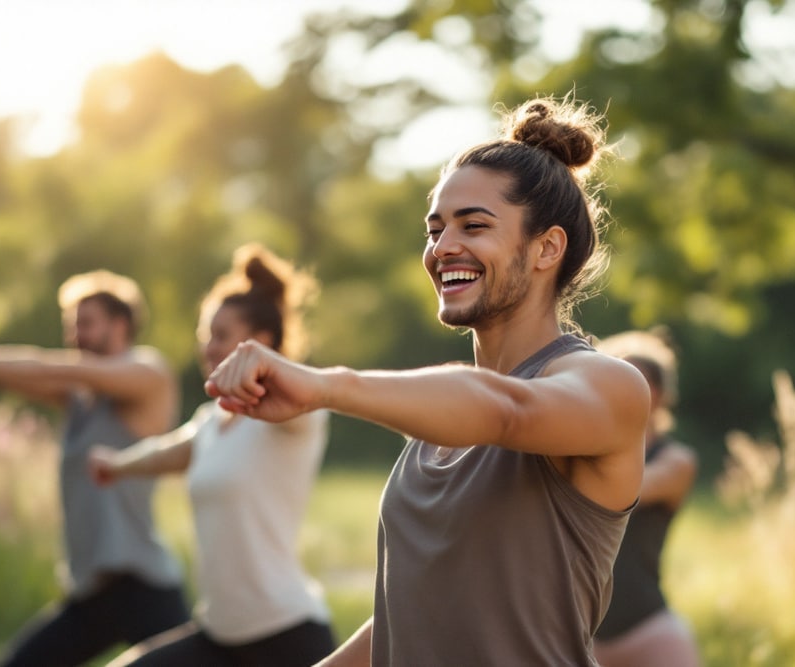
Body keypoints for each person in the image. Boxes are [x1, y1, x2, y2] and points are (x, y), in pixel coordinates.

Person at [204, 96, 650, 666]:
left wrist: (324, 386)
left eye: (474, 226)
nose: (443, 248)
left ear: (547, 248)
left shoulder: (609, 387)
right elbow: (409, 613)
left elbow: (507, 411)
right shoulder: (439, 417)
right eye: (435, 229)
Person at [87, 243, 336, 667]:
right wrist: (117, 465)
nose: (208, 348)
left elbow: (317, 391)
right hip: (220, 636)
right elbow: (169, 452)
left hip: (287, 636)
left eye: (220, 336)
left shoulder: (295, 414)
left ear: (260, 343)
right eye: (205, 336)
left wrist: (268, 369)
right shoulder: (211, 422)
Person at [0, 270, 189, 667]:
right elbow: (29, 373)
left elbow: (51, 367)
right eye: (72, 326)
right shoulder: (79, 397)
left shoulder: (148, 373)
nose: (76, 337)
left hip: (146, 589)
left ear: (120, 324)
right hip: (92, 593)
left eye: (86, 324)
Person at [592, 328, 701, 667]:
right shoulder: (583, 455)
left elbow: (626, 491)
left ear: (658, 393)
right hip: (580, 635)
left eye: (640, 379)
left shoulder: (677, 461)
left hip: (649, 631)